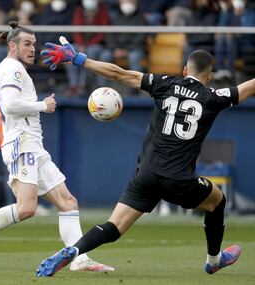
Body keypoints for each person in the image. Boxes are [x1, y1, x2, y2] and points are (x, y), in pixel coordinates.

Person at [36, 36, 255, 276]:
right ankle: (214, 261)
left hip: (147, 174)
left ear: (184, 70)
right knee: (217, 201)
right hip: (180, 179)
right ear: (210, 76)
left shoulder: (164, 82)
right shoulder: (213, 97)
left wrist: (78, 59)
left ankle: (74, 250)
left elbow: (119, 74)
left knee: (115, 226)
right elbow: (247, 88)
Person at [0, 22, 113, 273]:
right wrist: (42, 106)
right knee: (27, 208)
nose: (33, 49)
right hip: (22, 143)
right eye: (27, 43)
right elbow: (11, 106)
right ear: (12, 46)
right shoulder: (13, 69)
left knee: (68, 202)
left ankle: (79, 259)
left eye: (34, 44)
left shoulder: (4, 69)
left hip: (32, 145)